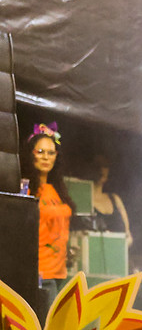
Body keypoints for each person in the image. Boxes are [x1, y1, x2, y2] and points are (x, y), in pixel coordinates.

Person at [21, 122, 75, 309]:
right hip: (38, 274)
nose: (46, 157)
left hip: (60, 273)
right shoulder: (25, 189)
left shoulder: (57, 190)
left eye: (51, 153)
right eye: (40, 152)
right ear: (31, 154)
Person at [90, 154, 133, 246]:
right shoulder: (83, 201)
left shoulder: (115, 199)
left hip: (117, 255)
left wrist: (121, 245)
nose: (102, 169)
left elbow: (128, 235)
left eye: (105, 166)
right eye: (98, 166)